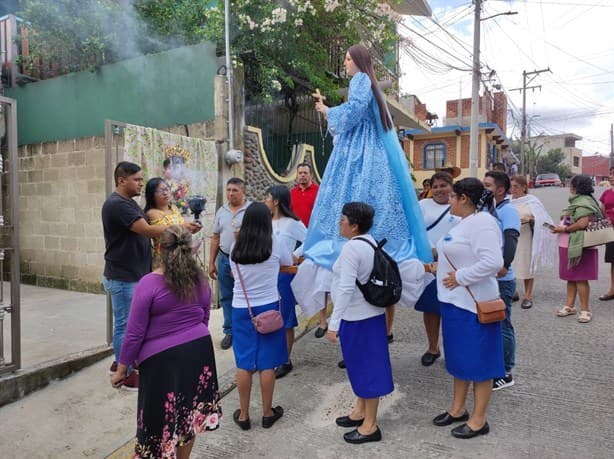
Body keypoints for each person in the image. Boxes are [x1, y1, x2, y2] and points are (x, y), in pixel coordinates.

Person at [292, 44, 431, 327]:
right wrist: (328, 110)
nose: (344, 64)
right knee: (374, 194)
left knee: (352, 190)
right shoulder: (369, 84)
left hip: (361, 150)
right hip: (370, 146)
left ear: (358, 61)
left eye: (347, 59)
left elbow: (354, 111)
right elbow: (357, 111)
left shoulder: (360, 80)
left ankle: (352, 239)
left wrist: (328, 111)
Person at [111, 225, 221, 458]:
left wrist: (122, 369)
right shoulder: (200, 280)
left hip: (162, 360)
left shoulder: (149, 283)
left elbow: (134, 332)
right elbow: (204, 317)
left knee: (157, 424)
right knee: (188, 416)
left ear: (160, 248)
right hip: (199, 351)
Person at [102, 162, 199, 389]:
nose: (140, 183)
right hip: (123, 276)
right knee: (126, 325)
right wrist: (180, 227)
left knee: (132, 323)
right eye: (136, 179)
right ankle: (124, 370)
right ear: (121, 180)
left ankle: (126, 363)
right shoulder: (118, 205)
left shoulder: (129, 203)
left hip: (133, 273)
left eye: (140, 179)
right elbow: (146, 230)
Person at [433, 178, 504, 439]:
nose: (448, 200)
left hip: (474, 306)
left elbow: (493, 262)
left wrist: (460, 277)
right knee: (459, 360)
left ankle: (478, 419)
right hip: (454, 303)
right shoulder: (463, 223)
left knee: (480, 363)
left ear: (464, 199)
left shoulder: (483, 223)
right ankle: (457, 408)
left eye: (452, 196)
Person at [326, 202, 393, 444]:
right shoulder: (367, 241)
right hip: (366, 315)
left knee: (367, 370)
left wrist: (333, 323)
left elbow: (345, 288)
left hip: (358, 318)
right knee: (360, 367)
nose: (339, 223)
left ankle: (370, 425)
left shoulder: (352, 249)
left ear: (354, 226)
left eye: (343, 220)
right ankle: (360, 410)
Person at [229, 202, 292, 431]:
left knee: (244, 361)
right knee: (267, 363)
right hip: (269, 306)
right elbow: (288, 263)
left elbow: (234, 274)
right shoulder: (275, 243)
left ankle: (244, 414)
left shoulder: (236, 246)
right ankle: (267, 413)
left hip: (241, 308)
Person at [415, 172, 460, 366]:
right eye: (436, 186)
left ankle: (454, 350)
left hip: (454, 265)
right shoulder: (422, 206)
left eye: (444, 185)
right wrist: (430, 252)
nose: (440, 190)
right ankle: (433, 348)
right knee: (431, 310)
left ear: (452, 186)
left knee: (453, 309)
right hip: (430, 266)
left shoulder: (459, 206)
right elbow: (414, 232)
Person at [264, 185, 307, 379]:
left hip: (284, 276)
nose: (265, 200)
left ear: (276, 201)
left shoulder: (292, 223)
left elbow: (310, 240)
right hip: (266, 275)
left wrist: (296, 255)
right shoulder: (265, 222)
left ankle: (285, 360)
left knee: (285, 319)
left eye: (268, 197)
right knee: (269, 316)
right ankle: (271, 357)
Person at [483, 171, 520, 391]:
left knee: (503, 323)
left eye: (487, 185)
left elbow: (511, 238)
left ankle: (505, 371)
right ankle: (493, 364)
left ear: (500, 190)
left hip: (502, 279)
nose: (483, 188)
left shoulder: (508, 211)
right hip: (489, 277)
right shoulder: (489, 210)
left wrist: (504, 264)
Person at [551, 175, 600, 323]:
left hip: (580, 245)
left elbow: (583, 223)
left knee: (581, 278)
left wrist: (564, 230)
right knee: (570, 277)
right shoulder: (577, 201)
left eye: (571, 185)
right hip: (568, 244)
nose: (569, 188)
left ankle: (585, 310)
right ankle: (569, 306)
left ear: (575, 187)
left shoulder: (584, 202)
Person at [209, 178, 251, 350]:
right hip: (225, 258)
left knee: (246, 296)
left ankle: (247, 329)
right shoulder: (222, 211)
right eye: (228, 190)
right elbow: (216, 237)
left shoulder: (251, 211)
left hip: (246, 260)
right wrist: (211, 262)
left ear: (243, 192)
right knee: (226, 296)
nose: (230, 193)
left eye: (235, 190)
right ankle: (230, 331)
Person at [289, 163, 327, 337]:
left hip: (314, 241)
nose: (302, 176)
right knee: (294, 275)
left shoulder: (319, 192)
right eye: (300, 173)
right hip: (295, 241)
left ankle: (322, 320)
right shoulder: (292, 193)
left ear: (311, 175)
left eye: (305, 173)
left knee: (318, 280)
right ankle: (302, 308)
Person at [510, 175, 557, 309]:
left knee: (526, 265)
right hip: (510, 237)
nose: (513, 189)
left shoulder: (532, 201)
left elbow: (544, 220)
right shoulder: (507, 201)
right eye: (511, 186)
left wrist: (531, 219)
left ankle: (528, 295)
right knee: (510, 264)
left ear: (524, 187)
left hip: (526, 237)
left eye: (516, 186)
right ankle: (513, 291)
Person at [144, 177, 184, 266]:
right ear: (151, 195)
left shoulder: (174, 208)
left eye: (166, 189)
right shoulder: (152, 213)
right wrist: (185, 227)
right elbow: (168, 233)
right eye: (161, 191)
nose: (165, 193)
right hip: (164, 259)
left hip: (181, 256)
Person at [598, 166, 614, 301]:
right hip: (611, 232)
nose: (611, 176)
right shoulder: (606, 193)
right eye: (610, 174)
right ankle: (612, 290)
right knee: (613, 261)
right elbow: (602, 212)